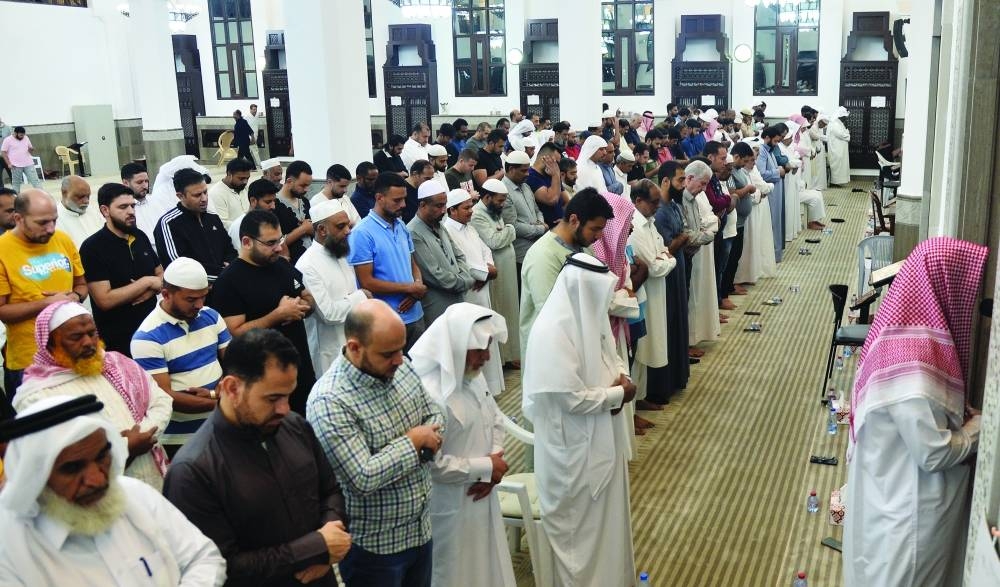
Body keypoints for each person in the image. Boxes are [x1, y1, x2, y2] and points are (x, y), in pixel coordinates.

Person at [843, 237, 988, 587]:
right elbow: (934, 452)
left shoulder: (896, 337)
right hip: (906, 517)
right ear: (944, 286)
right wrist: (980, 428)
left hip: (888, 498)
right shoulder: (915, 363)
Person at [165, 329, 351, 587]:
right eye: (273, 398)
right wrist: (315, 548)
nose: (284, 408)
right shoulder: (193, 472)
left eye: (288, 395)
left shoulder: (294, 426)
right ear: (232, 388)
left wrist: (330, 541)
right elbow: (219, 567)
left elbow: (330, 491)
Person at [0, 395, 227, 585]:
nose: (98, 479)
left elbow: (203, 557)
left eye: (102, 457)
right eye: (72, 468)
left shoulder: (135, 493)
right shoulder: (9, 547)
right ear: (36, 475)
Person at [306, 299, 445, 587]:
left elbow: (434, 413)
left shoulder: (400, 366)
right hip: (375, 550)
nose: (399, 359)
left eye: (401, 349)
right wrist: (413, 441)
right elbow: (364, 476)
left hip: (421, 529)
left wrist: (419, 442)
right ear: (355, 348)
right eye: (388, 353)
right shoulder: (330, 401)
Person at [521, 252, 637, 586]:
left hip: (602, 434)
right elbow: (568, 398)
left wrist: (620, 377)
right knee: (578, 536)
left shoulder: (590, 316)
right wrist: (618, 394)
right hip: (569, 452)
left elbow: (610, 354)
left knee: (608, 523)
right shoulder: (551, 331)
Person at [408, 303, 515, 587]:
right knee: (452, 573)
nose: (487, 357)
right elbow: (432, 465)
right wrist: (486, 467)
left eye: (488, 347)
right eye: (480, 349)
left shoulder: (474, 377)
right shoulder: (430, 392)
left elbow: (495, 419)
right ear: (456, 346)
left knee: (486, 564)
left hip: (482, 492)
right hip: (448, 504)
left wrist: (494, 463)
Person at [13, 301, 172, 489]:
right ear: (50, 344)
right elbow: (60, 454)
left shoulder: (116, 362)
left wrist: (144, 435)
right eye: (76, 337)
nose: (88, 342)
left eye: (91, 333)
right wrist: (125, 447)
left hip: (153, 476)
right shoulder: (37, 395)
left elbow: (161, 400)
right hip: (96, 491)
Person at [211, 210, 316, 414]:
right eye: (270, 243)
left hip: (299, 368)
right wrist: (277, 315)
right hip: (262, 378)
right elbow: (233, 333)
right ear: (247, 242)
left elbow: (309, 298)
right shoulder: (230, 281)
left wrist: (300, 307)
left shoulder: (280, 266)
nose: (279, 248)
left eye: (280, 240)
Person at [0, 189, 87, 405]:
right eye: (42, 223)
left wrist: (74, 298)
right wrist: (47, 304)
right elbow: (2, 312)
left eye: (54, 221)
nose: (51, 229)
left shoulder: (63, 240)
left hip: (72, 354)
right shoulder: (3, 250)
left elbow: (81, 284)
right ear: (18, 218)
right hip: (29, 362)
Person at [131, 257, 228, 447]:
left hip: (221, 427)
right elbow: (165, 397)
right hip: (180, 440)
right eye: (191, 299)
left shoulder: (211, 316)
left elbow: (236, 363)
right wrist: (223, 403)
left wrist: (221, 389)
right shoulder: (147, 338)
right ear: (166, 294)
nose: (200, 305)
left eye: (204, 296)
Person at [519, 188, 612, 358]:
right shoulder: (543, 255)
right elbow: (550, 314)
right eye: (594, 229)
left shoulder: (585, 247)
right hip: (551, 353)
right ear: (574, 220)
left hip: (580, 344)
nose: (599, 236)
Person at [348, 172, 428, 350]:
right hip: (386, 319)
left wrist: (417, 287)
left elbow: (412, 263)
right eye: (397, 200)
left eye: (404, 199)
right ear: (379, 198)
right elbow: (366, 281)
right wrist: (409, 288)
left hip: (415, 313)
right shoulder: (362, 233)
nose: (403, 205)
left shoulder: (401, 226)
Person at [80, 183, 162, 356]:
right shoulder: (92, 248)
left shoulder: (139, 236)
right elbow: (104, 300)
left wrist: (149, 292)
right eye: (123, 207)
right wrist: (146, 282)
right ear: (105, 211)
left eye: (132, 205)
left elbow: (161, 276)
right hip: (119, 342)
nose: (131, 211)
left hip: (154, 331)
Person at [296, 199, 371, 378]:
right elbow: (328, 314)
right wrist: (361, 297)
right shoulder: (307, 265)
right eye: (341, 226)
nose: (348, 231)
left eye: (348, 225)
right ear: (322, 230)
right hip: (329, 354)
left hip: (355, 343)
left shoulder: (341, 252)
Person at [443, 189, 503, 393]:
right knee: (473, 340)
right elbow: (462, 262)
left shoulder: (469, 228)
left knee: (485, 336)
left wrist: (489, 270)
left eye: (470, 206)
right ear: (451, 210)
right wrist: (485, 274)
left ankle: (491, 388)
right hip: (469, 292)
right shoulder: (448, 230)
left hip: (482, 288)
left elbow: (486, 250)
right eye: (466, 208)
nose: (471, 211)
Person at [628, 179, 677, 410]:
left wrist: (666, 257)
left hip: (656, 293)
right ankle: (634, 404)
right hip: (642, 294)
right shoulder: (634, 228)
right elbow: (655, 266)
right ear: (638, 201)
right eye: (654, 202)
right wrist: (667, 258)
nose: (658, 205)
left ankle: (641, 397)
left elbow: (663, 250)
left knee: (649, 347)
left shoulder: (649, 221)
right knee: (639, 350)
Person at [408, 180, 474, 327]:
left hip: (457, 299)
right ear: (422, 205)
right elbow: (434, 274)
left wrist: (465, 276)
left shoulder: (438, 225)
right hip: (438, 307)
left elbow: (459, 255)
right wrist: (465, 281)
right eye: (439, 206)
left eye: (445, 205)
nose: (444, 210)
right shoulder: (413, 233)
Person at [470, 178, 520, 370]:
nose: (503, 204)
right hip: (496, 273)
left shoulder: (493, 210)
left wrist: (504, 231)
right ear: (487, 197)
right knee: (500, 311)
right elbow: (494, 241)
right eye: (500, 200)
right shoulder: (478, 215)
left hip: (506, 270)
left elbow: (500, 235)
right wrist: (511, 229)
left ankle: (510, 354)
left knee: (509, 310)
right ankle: (503, 358)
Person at [154, 168, 237, 283]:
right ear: (180, 196)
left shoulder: (212, 217)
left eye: (205, 192)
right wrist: (223, 275)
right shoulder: (169, 224)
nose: (204, 199)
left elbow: (229, 249)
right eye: (197, 195)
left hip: (224, 286)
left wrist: (230, 266)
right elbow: (180, 266)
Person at [653, 161, 691, 398]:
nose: (683, 184)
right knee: (669, 322)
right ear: (665, 181)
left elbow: (681, 235)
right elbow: (666, 246)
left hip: (678, 268)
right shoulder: (659, 211)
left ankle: (679, 375)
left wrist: (682, 238)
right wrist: (682, 239)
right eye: (680, 180)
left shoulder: (674, 205)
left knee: (680, 318)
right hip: (666, 274)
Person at [681, 160, 721, 347]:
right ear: (689, 178)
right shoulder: (681, 199)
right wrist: (709, 235)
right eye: (702, 184)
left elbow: (698, 224)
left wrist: (704, 232)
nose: (704, 189)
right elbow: (687, 235)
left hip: (691, 256)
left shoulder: (693, 198)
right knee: (686, 303)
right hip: (684, 257)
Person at [735, 140, 778, 285]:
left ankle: (749, 275)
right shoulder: (740, 172)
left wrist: (762, 191)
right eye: (751, 159)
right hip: (746, 216)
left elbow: (760, 189)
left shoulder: (751, 171)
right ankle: (740, 279)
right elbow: (754, 191)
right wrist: (761, 192)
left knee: (752, 244)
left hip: (754, 212)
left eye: (755, 158)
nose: (754, 162)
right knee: (745, 246)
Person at [756, 126, 786, 263]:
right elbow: (762, 174)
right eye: (774, 141)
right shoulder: (762, 152)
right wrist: (777, 172)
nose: (776, 144)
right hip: (770, 195)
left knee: (777, 221)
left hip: (776, 192)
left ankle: (776, 254)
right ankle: (771, 255)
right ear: (767, 138)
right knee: (772, 223)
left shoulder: (770, 151)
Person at [275, 160, 314, 264]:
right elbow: (275, 243)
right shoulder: (274, 204)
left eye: (308, 185)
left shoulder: (304, 201)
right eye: (302, 185)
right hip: (291, 263)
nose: (306, 189)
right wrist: (303, 229)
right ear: (289, 181)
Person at [227, 177, 279, 251]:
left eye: (274, 201)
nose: (273, 207)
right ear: (253, 201)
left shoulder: (270, 221)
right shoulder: (239, 226)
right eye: (268, 202)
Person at [55, 175, 103, 249]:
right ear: (64, 193)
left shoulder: (93, 212)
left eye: (88, 196)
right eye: (80, 197)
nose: (86, 201)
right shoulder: (55, 220)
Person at [208, 156, 253, 230]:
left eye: (247, 178)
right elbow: (222, 224)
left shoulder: (244, 188)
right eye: (241, 178)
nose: (245, 182)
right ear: (229, 174)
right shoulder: (216, 193)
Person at [1, 126, 42, 193]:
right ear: (15, 133)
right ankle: (16, 197)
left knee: (35, 180)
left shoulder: (26, 137)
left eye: (23, 135)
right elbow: (3, 152)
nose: (22, 137)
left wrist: (31, 149)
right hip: (15, 165)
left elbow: (29, 149)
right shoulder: (7, 140)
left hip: (28, 164)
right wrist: (9, 163)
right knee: (16, 183)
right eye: (20, 135)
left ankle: (42, 195)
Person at [403, 160, 436, 224]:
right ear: (415, 174)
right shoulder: (402, 190)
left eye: (431, 179)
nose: (429, 182)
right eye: (427, 179)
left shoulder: (425, 189)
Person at [826, 106, 851, 186]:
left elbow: (845, 134)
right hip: (836, 149)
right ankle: (835, 182)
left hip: (840, 149)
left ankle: (839, 182)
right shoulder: (834, 124)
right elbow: (842, 135)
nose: (845, 119)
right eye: (844, 117)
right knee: (837, 165)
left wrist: (846, 133)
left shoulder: (839, 123)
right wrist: (847, 133)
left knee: (840, 166)